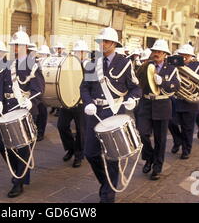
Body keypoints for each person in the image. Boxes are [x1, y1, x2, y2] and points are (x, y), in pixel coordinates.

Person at [80, 27, 141, 203]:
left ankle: (108, 195)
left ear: (114, 44)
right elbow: (84, 87)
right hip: (94, 114)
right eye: (100, 42)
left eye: (105, 42)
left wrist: (132, 99)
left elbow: (136, 87)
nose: (102, 45)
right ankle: (107, 184)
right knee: (90, 154)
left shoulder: (125, 63)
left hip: (114, 112)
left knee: (112, 156)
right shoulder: (93, 63)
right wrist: (88, 102)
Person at [0, 28, 45, 198]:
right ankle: (18, 171)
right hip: (8, 109)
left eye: (18, 45)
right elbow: (1, 84)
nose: (15, 48)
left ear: (25, 47)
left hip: (24, 111)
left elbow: (39, 89)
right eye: (14, 45)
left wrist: (31, 101)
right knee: (1, 144)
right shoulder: (9, 64)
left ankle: (19, 180)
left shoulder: (33, 65)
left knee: (22, 147)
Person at [136, 39, 180, 180]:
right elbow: (138, 82)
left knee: (160, 139)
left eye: (159, 52)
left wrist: (163, 82)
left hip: (162, 105)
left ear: (165, 54)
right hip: (146, 103)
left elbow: (176, 86)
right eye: (154, 51)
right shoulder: (145, 66)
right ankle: (149, 158)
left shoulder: (172, 69)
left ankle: (157, 167)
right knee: (143, 134)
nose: (156, 54)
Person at [169, 44, 199, 159]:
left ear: (191, 56)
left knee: (187, 128)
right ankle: (177, 140)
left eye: (186, 55)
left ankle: (186, 149)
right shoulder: (173, 64)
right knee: (171, 123)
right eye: (181, 55)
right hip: (175, 100)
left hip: (190, 102)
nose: (183, 57)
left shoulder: (198, 66)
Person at [57, 40, 90, 168]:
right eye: (76, 51)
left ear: (84, 53)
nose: (77, 54)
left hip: (82, 103)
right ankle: (70, 148)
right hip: (68, 101)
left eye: (79, 52)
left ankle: (79, 155)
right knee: (62, 126)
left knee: (81, 130)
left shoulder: (90, 66)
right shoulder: (69, 64)